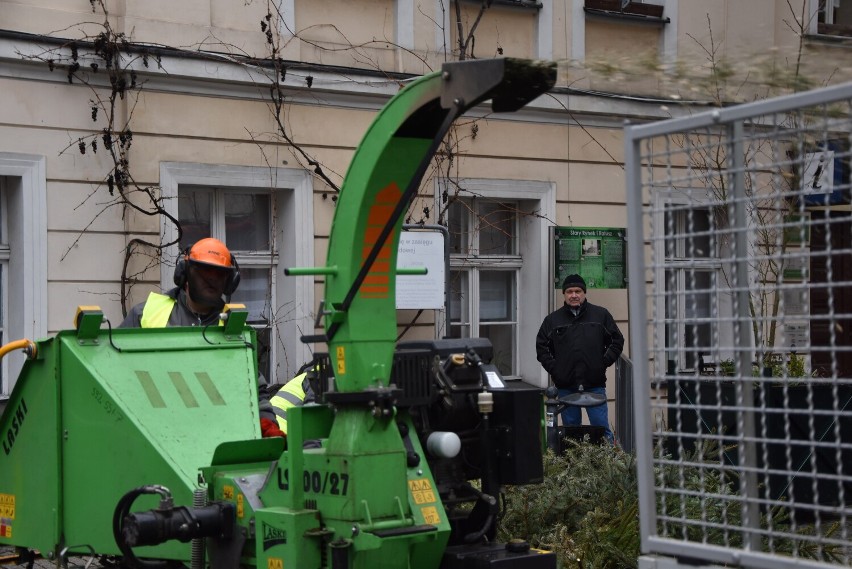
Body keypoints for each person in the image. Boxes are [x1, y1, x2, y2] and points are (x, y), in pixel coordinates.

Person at [120, 237, 284, 439]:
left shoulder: (234, 327)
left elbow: (254, 389)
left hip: (214, 435)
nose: (211, 280)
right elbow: (117, 370)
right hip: (156, 432)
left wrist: (266, 424)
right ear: (185, 275)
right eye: (204, 272)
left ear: (229, 282)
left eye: (219, 274)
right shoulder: (147, 314)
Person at [535, 273, 624, 443]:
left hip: (594, 384)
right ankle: (574, 467)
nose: (574, 295)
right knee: (571, 433)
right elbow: (542, 347)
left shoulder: (601, 315)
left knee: (602, 430)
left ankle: (607, 467)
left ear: (584, 293)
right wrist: (556, 369)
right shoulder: (552, 320)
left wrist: (602, 363)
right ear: (564, 294)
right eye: (569, 291)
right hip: (566, 386)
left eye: (578, 291)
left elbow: (616, 341)